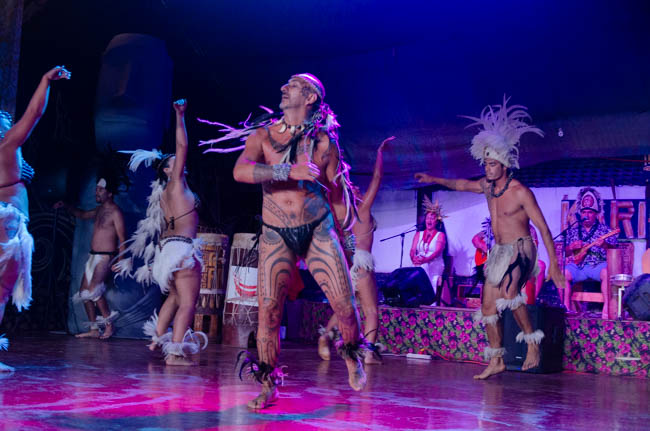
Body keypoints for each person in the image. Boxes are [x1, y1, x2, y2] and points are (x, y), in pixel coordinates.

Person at [216, 73, 368, 409]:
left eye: (293, 85)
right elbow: (240, 171)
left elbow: (335, 193)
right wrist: (287, 171)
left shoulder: (326, 142)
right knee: (268, 312)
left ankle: (351, 353)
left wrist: (347, 237)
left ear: (310, 97)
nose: (284, 88)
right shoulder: (264, 135)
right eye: (285, 85)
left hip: (318, 229)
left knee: (345, 305)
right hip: (276, 232)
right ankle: (268, 385)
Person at [415, 96, 565, 379]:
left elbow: (544, 229)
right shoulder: (487, 187)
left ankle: (532, 344)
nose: (487, 168)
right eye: (485, 164)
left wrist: (554, 265)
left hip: (522, 249)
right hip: (499, 251)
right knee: (487, 307)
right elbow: (461, 184)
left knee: (509, 292)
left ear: (504, 164)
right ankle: (497, 360)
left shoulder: (521, 192)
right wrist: (433, 178)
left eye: (492, 164)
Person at [116, 99, 207, 366]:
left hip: (167, 249)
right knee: (188, 303)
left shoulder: (166, 193)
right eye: (173, 163)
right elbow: (182, 146)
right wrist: (180, 116)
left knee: (175, 297)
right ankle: (175, 353)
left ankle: (157, 338)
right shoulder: (175, 184)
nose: (179, 163)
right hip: (181, 248)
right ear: (167, 170)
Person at [0, 65, 70, 371]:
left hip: (7, 217)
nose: (9, 121)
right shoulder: (6, 145)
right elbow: (33, 114)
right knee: (1, 291)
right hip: (7, 220)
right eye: (4, 121)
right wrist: (45, 81)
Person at [318, 136, 394, 365]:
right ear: (355, 195)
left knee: (348, 307)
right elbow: (377, 178)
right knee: (371, 311)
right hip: (361, 264)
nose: (360, 189)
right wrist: (379, 153)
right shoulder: (362, 208)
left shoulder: (342, 214)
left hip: (350, 265)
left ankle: (325, 336)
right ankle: (369, 354)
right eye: (356, 189)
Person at [54, 174, 126, 339]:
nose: (96, 192)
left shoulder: (115, 212)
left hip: (106, 257)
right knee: (84, 293)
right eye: (96, 189)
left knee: (94, 291)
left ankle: (109, 326)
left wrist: (121, 261)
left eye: (100, 189)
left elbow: (122, 239)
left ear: (110, 193)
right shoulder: (100, 210)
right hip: (93, 256)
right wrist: (66, 206)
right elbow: (83, 215)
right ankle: (94, 329)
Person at [563, 187, 617, 318]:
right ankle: (565, 309)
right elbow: (567, 253)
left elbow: (614, 249)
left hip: (597, 266)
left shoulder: (605, 230)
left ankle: (606, 310)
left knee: (606, 272)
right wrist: (571, 247)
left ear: (596, 214)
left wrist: (604, 245)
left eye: (590, 212)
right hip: (578, 267)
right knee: (563, 273)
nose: (586, 215)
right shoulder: (573, 231)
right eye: (584, 212)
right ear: (580, 214)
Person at [410, 197, 446, 302]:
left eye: (432, 218)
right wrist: (413, 258)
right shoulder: (418, 234)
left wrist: (425, 260)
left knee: (424, 267)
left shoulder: (440, 235)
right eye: (427, 218)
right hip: (420, 261)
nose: (429, 221)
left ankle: (430, 302)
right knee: (419, 268)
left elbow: (437, 252)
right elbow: (412, 250)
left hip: (435, 263)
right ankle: (417, 300)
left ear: (437, 221)